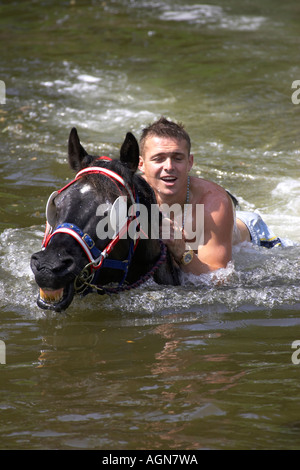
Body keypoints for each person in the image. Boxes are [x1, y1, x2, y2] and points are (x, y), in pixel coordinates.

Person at [138, 117, 282, 275]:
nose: (169, 167)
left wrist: (181, 250)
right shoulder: (131, 194)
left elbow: (219, 280)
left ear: (190, 162)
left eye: (178, 158)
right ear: (141, 165)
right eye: (158, 159)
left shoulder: (213, 203)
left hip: (256, 238)